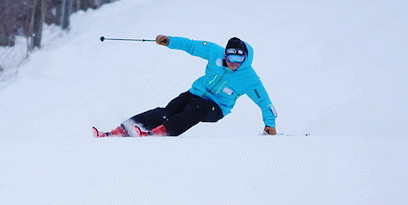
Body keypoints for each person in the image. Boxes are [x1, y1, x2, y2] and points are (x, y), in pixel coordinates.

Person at [93, 35, 277, 137]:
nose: (234, 63)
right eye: (231, 58)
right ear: (225, 54)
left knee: (195, 108)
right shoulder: (215, 52)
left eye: (238, 59)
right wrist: (169, 41)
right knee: (168, 110)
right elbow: (191, 45)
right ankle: (119, 130)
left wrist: (270, 125)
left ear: (244, 58)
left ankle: (161, 133)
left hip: (217, 108)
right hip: (195, 93)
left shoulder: (249, 78)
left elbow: (265, 102)